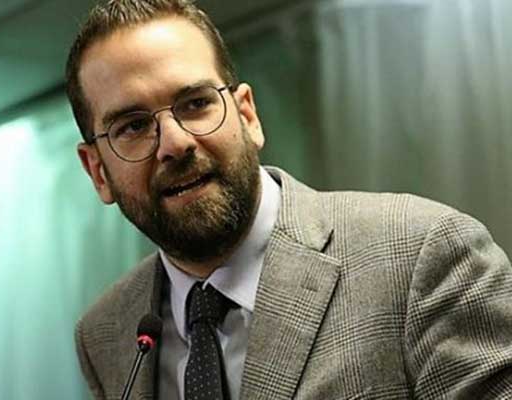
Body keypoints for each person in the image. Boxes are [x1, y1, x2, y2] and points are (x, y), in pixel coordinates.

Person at [65, 1, 512, 399]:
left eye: (196, 103)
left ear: (247, 116)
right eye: (133, 126)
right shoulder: (105, 332)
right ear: (98, 172)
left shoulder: (422, 254)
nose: (175, 143)